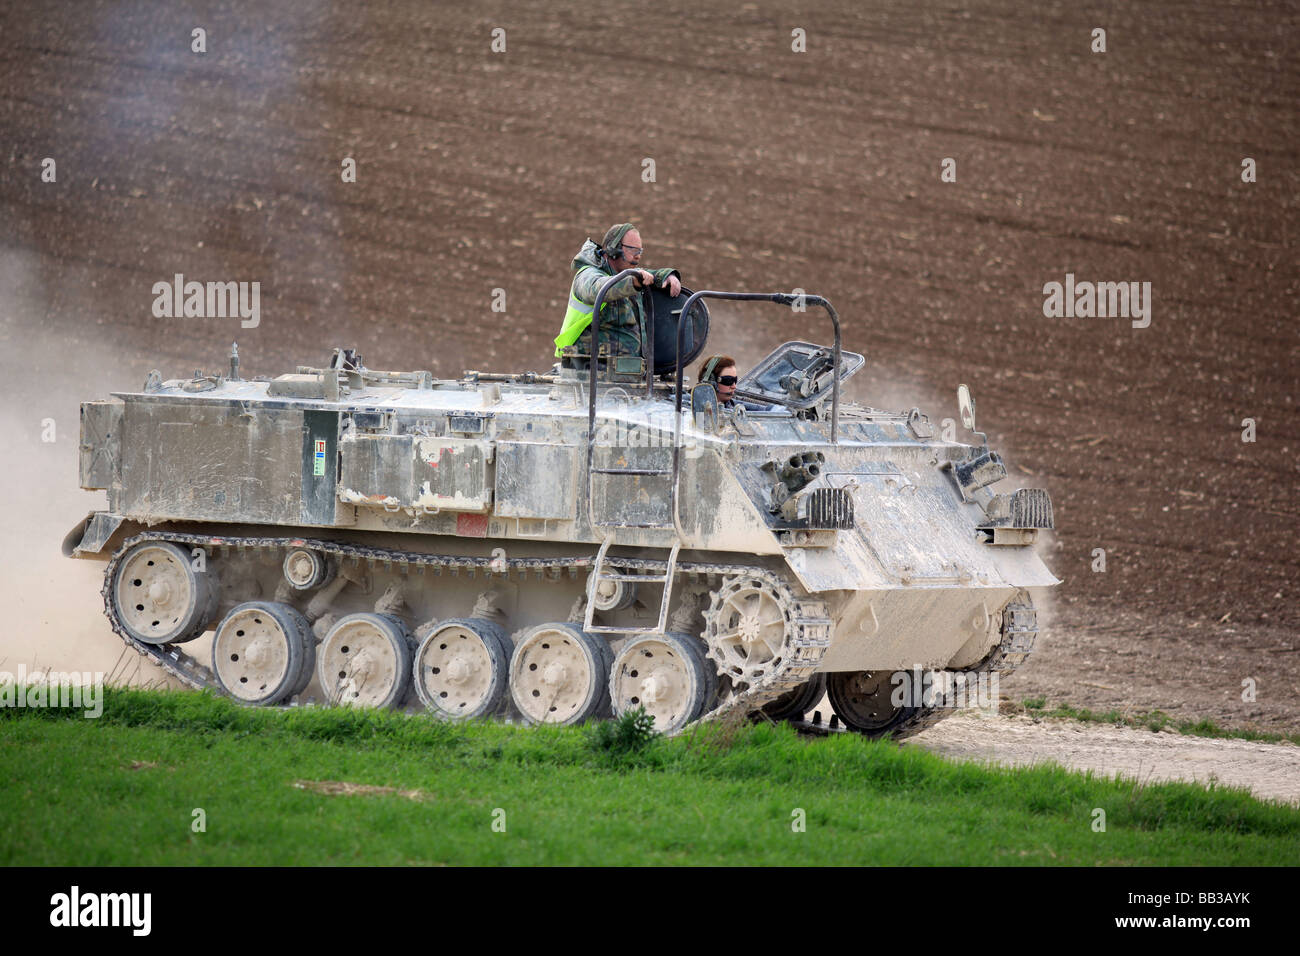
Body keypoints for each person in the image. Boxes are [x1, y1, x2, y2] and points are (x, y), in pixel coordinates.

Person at [554, 223, 681, 364]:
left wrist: (666, 276)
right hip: (589, 372)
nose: (638, 256)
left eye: (640, 251)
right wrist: (632, 281)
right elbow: (597, 288)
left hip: (627, 373)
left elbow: (646, 274)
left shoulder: (626, 274)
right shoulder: (587, 275)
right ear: (613, 249)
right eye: (633, 250)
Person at [696, 355, 769, 410]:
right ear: (710, 381)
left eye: (735, 380)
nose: (734, 386)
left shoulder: (731, 405)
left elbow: (766, 410)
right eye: (728, 381)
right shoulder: (689, 406)